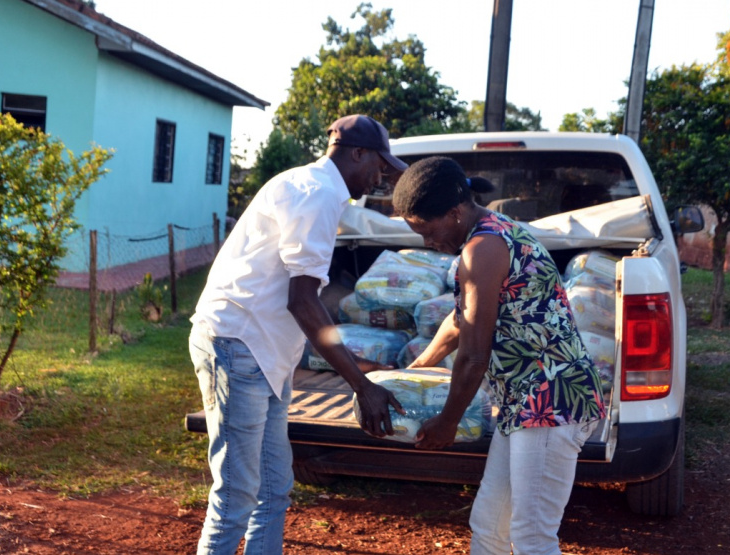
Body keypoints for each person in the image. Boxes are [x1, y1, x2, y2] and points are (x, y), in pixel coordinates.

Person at [189, 115, 408, 555]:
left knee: (273, 488)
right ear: (357, 153)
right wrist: (361, 385)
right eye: (379, 164)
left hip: (265, 352)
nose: (380, 174)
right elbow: (302, 301)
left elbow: (299, 300)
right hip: (239, 345)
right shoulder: (319, 194)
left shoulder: (311, 186)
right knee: (236, 496)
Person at [392, 156, 605, 555]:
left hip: (551, 402)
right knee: (489, 525)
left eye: (427, 229)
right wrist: (417, 368)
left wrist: (446, 422)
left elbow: (474, 354)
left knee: (531, 537)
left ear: (455, 213)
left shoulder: (483, 248)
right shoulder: (490, 235)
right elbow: (460, 323)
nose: (426, 241)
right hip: (523, 406)